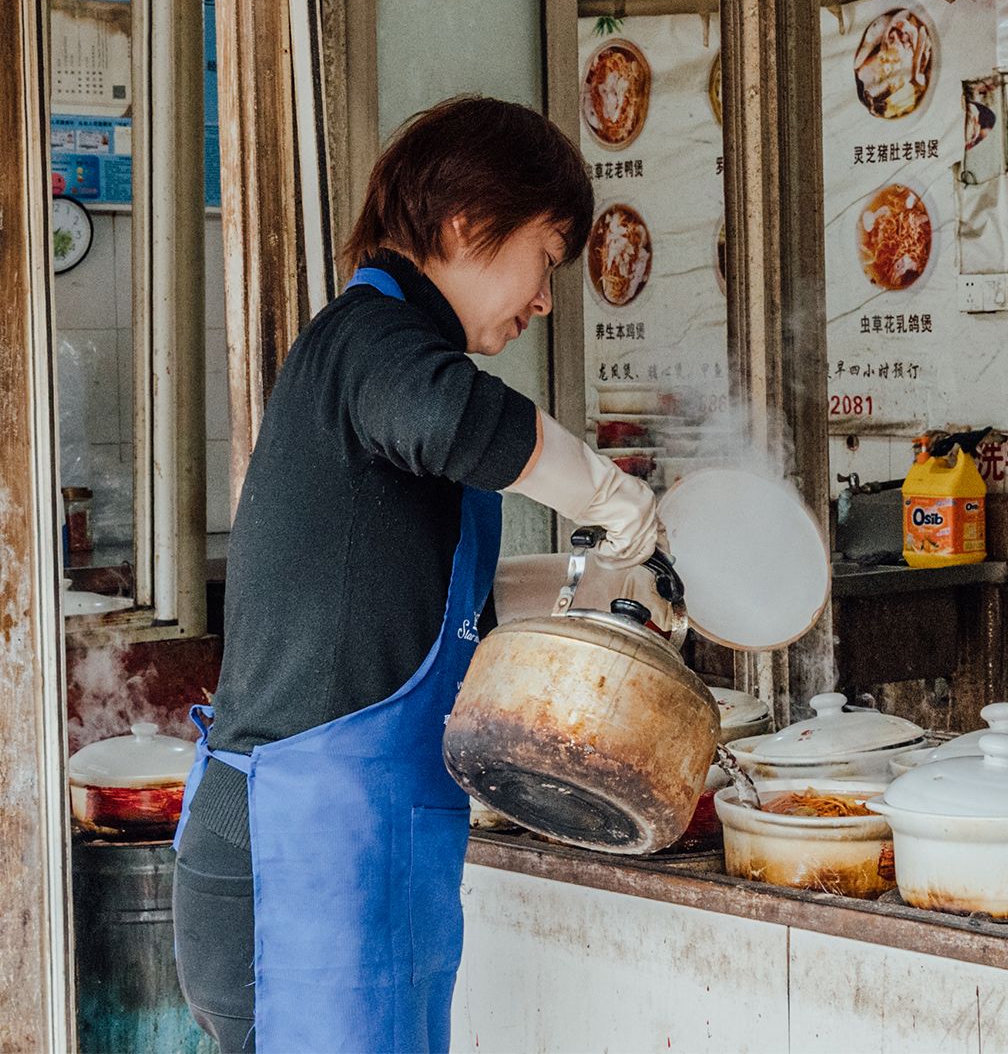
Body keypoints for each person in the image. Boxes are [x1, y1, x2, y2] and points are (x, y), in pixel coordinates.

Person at [170, 96, 653, 1053]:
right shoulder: (372, 346)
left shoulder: (381, 363)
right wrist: (608, 491)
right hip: (295, 871)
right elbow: (462, 422)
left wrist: (582, 583)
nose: (545, 298)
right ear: (466, 225)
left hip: (350, 862)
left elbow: (412, 599)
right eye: (546, 257)